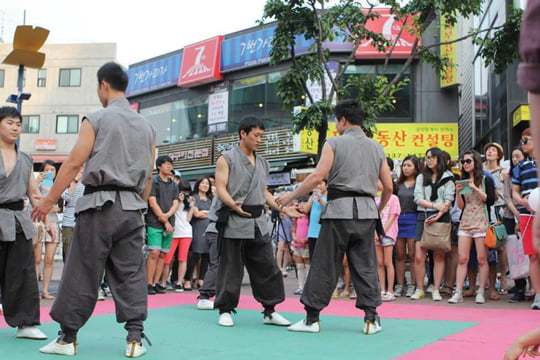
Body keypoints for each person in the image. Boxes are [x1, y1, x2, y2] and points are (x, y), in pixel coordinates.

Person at [31, 62, 156, 358]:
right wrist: (137, 204)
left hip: (100, 204)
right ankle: (135, 339)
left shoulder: (97, 118)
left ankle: (67, 339)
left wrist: (49, 202)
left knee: (83, 270)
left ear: (104, 85)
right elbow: (148, 177)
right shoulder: (147, 127)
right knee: (131, 272)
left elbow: (74, 163)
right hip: (132, 207)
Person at [276, 99, 393, 334]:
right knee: (366, 265)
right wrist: (377, 212)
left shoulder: (334, 143)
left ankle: (312, 319)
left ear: (342, 120)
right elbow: (388, 187)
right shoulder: (376, 147)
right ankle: (372, 319)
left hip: (339, 211)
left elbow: (317, 176)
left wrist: (289, 198)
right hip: (367, 213)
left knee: (325, 264)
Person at [213, 116, 300, 328]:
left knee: (267, 266)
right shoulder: (227, 158)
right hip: (234, 217)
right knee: (231, 267)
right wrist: (232, 204)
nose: (260, 140)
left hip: (258, 220)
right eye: (256, 135)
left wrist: (283, 208)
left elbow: (263, 191)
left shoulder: (263, 162)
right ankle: (225, 309)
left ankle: (270, 310)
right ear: (243, 133)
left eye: (262, 136)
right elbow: (221, 187)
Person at [0, 106, 53, 341]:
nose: (15, 128)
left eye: (18, 124)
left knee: (23, 273)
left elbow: (34, 193)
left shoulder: (25, 158)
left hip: (19, 220)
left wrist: (46, 218)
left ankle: (26, 323)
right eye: (10, 122)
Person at [448, 150, 495, 304]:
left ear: (476, 162)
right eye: (463, 162)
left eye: (468, 161)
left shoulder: (485, 179)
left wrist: (474, 187)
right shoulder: (462, 180)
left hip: (481, 221)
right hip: (466, 221)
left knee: (482, 258)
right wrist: (458, 193)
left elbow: (489, 200)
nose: (465, 164)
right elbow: (461, 206)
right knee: (462, 258)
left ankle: (481, 290)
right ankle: (458, 291)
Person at [411, 147, 455, 302]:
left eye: (432, 157)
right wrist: (435, 207)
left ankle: (436, 288)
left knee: (438, 255)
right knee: (418, 256)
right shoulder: (421, 177)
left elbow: (449, 200)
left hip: (441, 218)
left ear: (439, 159)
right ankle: (419, 288)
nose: (429, 160)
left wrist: (438, 215)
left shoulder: (449, 177)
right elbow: (417, 198)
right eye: (427, 157)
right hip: (423, 215)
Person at [512, 128, 540, 309]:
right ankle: (538, 294)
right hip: (527, 214)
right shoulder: (520, 167)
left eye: (526, 140)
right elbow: (515, 192)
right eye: (521, 141)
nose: (523, 144)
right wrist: (525, 202)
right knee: (533, 256)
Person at [145, 155, 179, 295]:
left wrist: (168, 217)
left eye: (170, 164)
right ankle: (147, 283)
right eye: (166, 164)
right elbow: (152, 202)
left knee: (163, 255)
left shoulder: (173, 185)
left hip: (170, 224)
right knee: (154, 252)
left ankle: (156, 282)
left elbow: (176, 203)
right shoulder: (153, 182)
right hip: (155, 222)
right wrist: (163, 219)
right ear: (159, 166)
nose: (169, 166)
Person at [34, 159, 62, 300]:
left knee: (49, 259)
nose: (49, 172)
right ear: (42, 171)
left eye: (52, 170)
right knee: (37, 258)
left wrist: (55, 208)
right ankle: (34, 291)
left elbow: (61, 205)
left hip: (54, 221)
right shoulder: (36, 184)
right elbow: (33, 200)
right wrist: (37, 182)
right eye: (47, 170)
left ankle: (45, 291)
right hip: (38, 221)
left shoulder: (59, 186)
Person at [160, 179, 193, 292]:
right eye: (182, 191)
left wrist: (192, 205)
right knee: (167, 259)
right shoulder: (174, 200)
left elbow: (189, 219)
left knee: (182, 259)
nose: (185, 194)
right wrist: (178, 201)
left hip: (186, 232)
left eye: (187, 191)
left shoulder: (189, 202)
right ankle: (163, 282)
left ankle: (179, 282)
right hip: (173, 232)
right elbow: (171, 212)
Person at [505, 147, 528, 303]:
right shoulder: (508, 175)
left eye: (518, 156)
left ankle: (533, 287)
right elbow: (508, 198)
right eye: (513, 156)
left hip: (529, 215)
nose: (515, 159)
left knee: (529, 254)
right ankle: (519, 287)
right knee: (514, 255)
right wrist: (518, 216)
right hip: (510, 216)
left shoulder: (530, 172)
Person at [395, 155, 420, 297]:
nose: (406, 168)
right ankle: (399, 284)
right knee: (399, 255)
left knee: (412, 254)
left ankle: (413, 284)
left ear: (416, 168)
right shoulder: (397, 185)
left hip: (413, 218)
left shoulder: (420, 184)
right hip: (398, 219)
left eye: (409, 165)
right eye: (404, 165)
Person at [183, 177, 212, 291]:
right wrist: (207, 213)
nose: (205, 185)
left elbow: (215, 213)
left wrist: (204, 212)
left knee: (206, 255)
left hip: (209, 228)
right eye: (203, 183)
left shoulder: (211, 199)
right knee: (195, 254)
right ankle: (187, 280)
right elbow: (197, 214)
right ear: (198, 185)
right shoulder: (193, 198)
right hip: (197, 228)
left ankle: (201, 279)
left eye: (207, 183)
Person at [375, 180, 401, 301]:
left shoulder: (394, 198)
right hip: (375, 234)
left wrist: (382, 232)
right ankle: (382, 289)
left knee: (387, 262)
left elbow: (392, 217)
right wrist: (375, 232)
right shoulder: (374, 199)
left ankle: (390, 290)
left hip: (388, 233)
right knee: (379, 263)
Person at [60, 166, 85, 262]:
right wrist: (74, 181)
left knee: (82, 252)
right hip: (68, 222)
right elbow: (67, 197)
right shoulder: (67, 181)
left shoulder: (88, 182)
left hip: (83, 220)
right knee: (67, 251)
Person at [291, 197, 311, 295]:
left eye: (304, 203)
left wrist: (306, 239)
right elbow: (293, 229)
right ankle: (300, 286)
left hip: (306, 243)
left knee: (307, 264)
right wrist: (294, 237)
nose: (302, 205)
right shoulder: (297, 216)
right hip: (297, 243)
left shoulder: (310, 217)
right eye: (301, 203)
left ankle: (307, 286)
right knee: (299, 265)